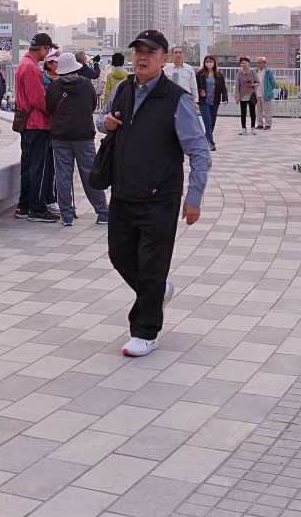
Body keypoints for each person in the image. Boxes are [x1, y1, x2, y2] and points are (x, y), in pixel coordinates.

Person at [101, 30, 211, 357]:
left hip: (160, 196)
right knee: (120, 255)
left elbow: (199, 152)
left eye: (150, 52)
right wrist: (105, 123)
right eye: (138, 52)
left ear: (164, 58)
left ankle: (145, 331)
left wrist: (194, 198)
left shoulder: (176, 99)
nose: (142, 58)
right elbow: (100, 121)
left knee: (151, 263)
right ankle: (158, 290)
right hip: (123, 192)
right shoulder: (122, 90)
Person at [45, 48, 107, 227]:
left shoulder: (54, 86)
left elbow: (49, 108)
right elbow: (93, 104)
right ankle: (102, 212)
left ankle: (67, 216)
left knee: (63, 174)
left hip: (60, 135)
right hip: (83, 135)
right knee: (89, 172)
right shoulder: (86, 84)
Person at [13, 33, 57, 220]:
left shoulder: (24, 63)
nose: (47, 54)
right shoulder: (31, 68)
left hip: (27, 124)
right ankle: (37, 209)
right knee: (38, 167)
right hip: (37, 123)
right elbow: (38, 99)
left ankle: (24, 206)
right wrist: (54, 109)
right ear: (42, 48)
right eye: (47, 49)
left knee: (28, 165)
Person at [195, 55, 226, 150]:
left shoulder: (219, 75)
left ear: (214, 63)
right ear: (204, 63)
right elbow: (194, 86)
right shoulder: (200, 74)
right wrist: (198, 94)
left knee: (212, 122)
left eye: (211, 61)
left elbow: (223, 88)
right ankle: (211, 142)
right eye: (207, 61)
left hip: (214, 102)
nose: (209, 63)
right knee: (207, 122)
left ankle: (204, 140)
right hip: (203, 102)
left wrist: (224, 98)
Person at [234, 56, 259, 135]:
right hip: (242, 96)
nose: (244, 64)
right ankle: (243, 129)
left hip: (251, 95)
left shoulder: (253, 72)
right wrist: (237, 97)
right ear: (241, 64)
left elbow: (258, 82)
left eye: (245, 63)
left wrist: (253, 84)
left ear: (249, 63)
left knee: (252, 112)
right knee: (243, 112)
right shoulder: (239, 74)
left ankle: (253, 128)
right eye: (242, 63)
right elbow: (237, 86)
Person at [256, 56, 275, 130]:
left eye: (261, 62)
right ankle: (260, 124)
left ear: (264, 63)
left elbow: (273, 83)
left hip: (265, 94)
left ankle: (268, 124)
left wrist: (269, 90)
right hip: (257, 93)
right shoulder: (256, 71)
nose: (259, 64)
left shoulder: (268, 71)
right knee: (258, 110)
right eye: (258, 63)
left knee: (267, 110)